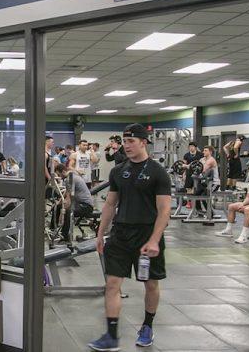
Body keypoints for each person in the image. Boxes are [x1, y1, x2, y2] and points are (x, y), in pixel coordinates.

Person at [89, 124, 172, 351]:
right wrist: (100, 233)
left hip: (147, 235)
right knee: (112, 284)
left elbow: (164, 210)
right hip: (121, 234)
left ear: (143, 142)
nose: (126, 146)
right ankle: (111, 335)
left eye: (131, 141)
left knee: (150, 284)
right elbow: (110, 204)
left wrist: (155, 239)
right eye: (124, 142)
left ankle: (147, 326)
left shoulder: (157, 172)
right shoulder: (118, 171)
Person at [56, 163, 94, 240]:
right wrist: (58, 203)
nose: (59, 177)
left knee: (68, 211)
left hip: (86, 206)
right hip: (80, 203)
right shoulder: (71, 176)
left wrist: (62, 214)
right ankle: (54, 229)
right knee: (58, 206)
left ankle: (65, 236)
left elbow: (68, 200)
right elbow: (66, 193)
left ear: (63, 171)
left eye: (59, 175)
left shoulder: (70, 178)